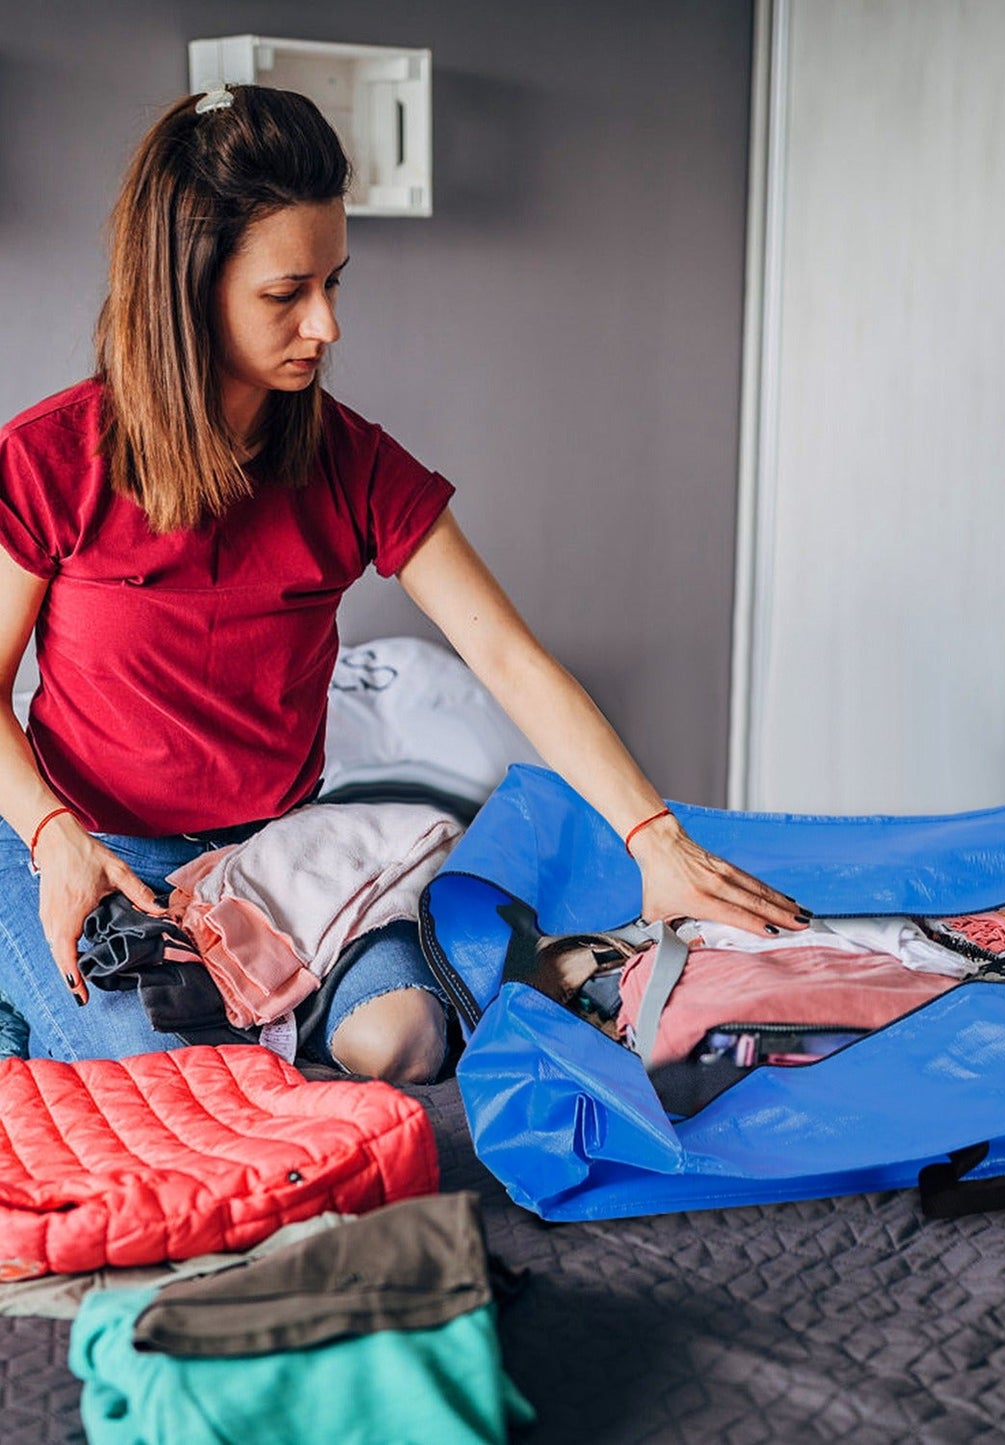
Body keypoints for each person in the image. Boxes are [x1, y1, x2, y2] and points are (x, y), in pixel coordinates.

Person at [0, 85, 806, 1084]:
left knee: (405, 1044)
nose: (326, 324)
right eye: (285, 294)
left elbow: (506, 657)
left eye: (334, 281)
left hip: (286, 852)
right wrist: (52, 837)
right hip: (96, 847)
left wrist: (655, 839)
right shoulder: (52, 459)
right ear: (189, 287)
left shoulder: (353, 464)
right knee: (187, 1088)